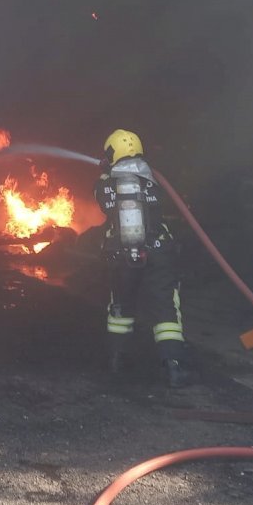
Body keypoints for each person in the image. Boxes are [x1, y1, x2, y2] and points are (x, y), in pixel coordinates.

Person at [94, 129, 190, 388]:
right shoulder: (154, 180)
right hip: (158, 250)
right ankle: (173, 367)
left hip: (120, 254)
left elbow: (103, 204)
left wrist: (105, 175)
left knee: (120, 308)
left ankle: (117, 360)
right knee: (165, 307)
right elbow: (163, 203)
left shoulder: (105, 183)